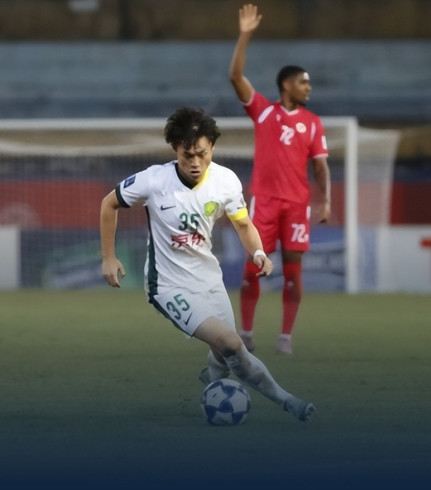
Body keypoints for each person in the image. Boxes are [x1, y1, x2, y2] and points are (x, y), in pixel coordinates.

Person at [100, 107, 314, 422]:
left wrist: (258, 252)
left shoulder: (225, 181)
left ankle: (212, 379)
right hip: (168, 286)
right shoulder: (153, 180)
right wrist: (108, 256)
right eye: (188, 155)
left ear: (212, 147)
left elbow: (243, 224)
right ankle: (288, 401)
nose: (196, 162)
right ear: (175, 149)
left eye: (202, 153)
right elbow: (109, 203)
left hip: (209, 281)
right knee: (231, 343)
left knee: (226, 352)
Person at [229, 4, 331, 355]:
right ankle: (246, 333)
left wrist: (325, 200)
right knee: (252, 268)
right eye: (304, 82)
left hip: (297, 205)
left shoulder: (313, 123)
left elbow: (321, 167)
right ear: (286, 85)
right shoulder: (263, 111)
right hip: (265, 201)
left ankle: (285, 337)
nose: (309, 87)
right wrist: (245, 35)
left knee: (293, 271)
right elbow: (235, 76)